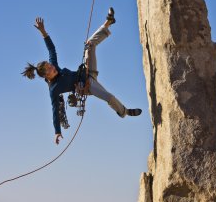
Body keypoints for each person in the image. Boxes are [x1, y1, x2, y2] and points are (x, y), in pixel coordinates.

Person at [22, 8, 142, 145]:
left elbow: (51, 49)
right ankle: (124, 111)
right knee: (109, 97)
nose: (53, 68)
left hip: (86, 71)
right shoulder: (53, 89)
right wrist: (57, 131)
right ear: (46, 76)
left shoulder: (55, 67)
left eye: (51, 66)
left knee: (89, 44)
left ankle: (108, 23)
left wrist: (43, 32)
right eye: (50, 69)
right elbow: (55, 111)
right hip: (88, 86)